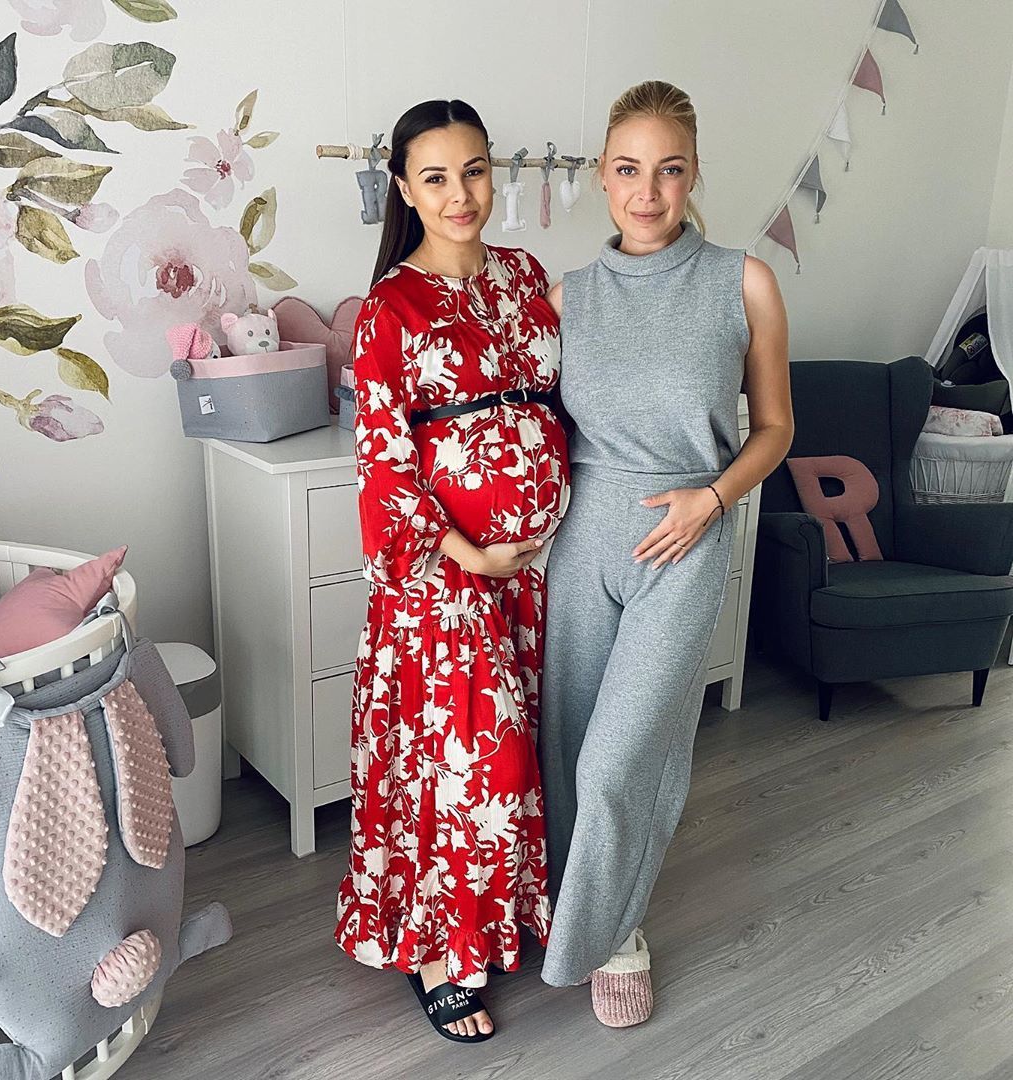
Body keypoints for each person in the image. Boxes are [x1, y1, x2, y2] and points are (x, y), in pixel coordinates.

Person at [537, 79, 794, 1027]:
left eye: (669, 170)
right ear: (601, 179)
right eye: (628, 170)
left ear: (693, 176)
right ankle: (580, 910)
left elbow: (775, 429)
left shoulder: (743, 281)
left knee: (622, 762)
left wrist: (712, 499)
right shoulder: (565, 296)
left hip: (685, 544)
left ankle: (617, 933)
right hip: (581, 543)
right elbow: (527, 426)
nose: (647, 192)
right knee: (568, 750)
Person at [334, 98, 571, 1044]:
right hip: (446, 576)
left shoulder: (526, 275)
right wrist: (468, 552)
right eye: (435, 177)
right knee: (474, 769)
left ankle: (501, 921)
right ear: (404, 189)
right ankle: (439, 952)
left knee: (510, 765)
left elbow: (567, 401)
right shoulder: (389, 309)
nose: (459, 193)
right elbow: (384, 464)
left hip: (534, 574)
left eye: (473, 170)